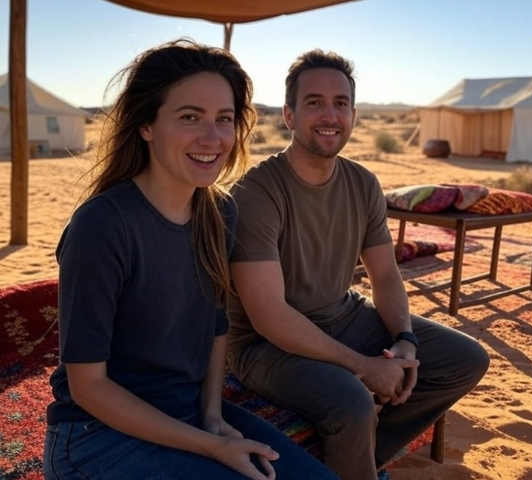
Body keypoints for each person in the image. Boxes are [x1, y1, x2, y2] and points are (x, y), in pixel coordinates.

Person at [43, 39, 339, 480]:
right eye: (189, 117)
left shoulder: (220, 213)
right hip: (96, 437)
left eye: (224, 119)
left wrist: (215, 416)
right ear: (146, 124)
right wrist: (212, 445)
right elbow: (89, 387)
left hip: (190, 417)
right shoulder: (103, 227)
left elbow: (216, 325)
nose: (212, 138)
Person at [226, 48, 491, 480]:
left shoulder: (362, 182)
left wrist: (403, 339)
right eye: (314, 103)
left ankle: (362, 457)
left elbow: (384, 275)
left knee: (466, 358)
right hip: (264, 345)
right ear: (290, 116)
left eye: (341, 103)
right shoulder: (259, 192)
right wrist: (365, 366)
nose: (330, 115)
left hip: (343, 314)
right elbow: (269, 316)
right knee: (350, 401)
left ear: (353, 115)